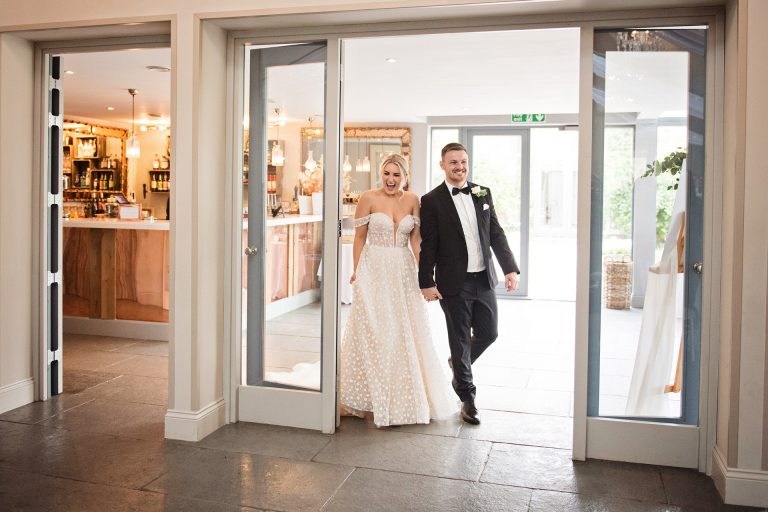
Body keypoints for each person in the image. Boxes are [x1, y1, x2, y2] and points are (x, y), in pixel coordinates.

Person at [339, 153, 456, 427]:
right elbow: (359, 237)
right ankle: (370, 395)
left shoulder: (413, 200)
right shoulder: (368, 198)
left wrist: (425, 275)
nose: (391, 179)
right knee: (376, 328)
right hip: (375, 267)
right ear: (381, 174)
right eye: (387, 174)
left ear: (405, 176)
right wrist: (357, 270)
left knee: (404, 328)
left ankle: (404, 394)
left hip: (402, 269)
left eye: (396, 174)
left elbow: (416, 240)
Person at [418, 142, 520, 425]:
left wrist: (510, 268)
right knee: (459, 339)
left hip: (484, 278)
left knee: (489, 333)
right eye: (453, 162)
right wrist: (425, 281)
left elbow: (496, 233)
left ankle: (458, 364)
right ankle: (467, 398)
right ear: (442, 165)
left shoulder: (481, 192)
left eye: (463, 161)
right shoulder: (431, 200)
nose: (459, 167)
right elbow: (429, 245)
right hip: (454, 281)